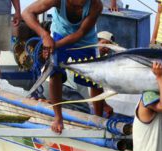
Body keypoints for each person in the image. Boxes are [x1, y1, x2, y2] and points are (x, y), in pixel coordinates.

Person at [22, 0, 106, 134]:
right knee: (55, 71)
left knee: (95, 79)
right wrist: (45, 36)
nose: (79, 5)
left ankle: (99, 120)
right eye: (75, 4)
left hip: (85, 39)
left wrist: (55, 45)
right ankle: (58, 117)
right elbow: (27, 12)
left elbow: (80, 33)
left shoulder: (96, 5)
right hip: (59, 33)